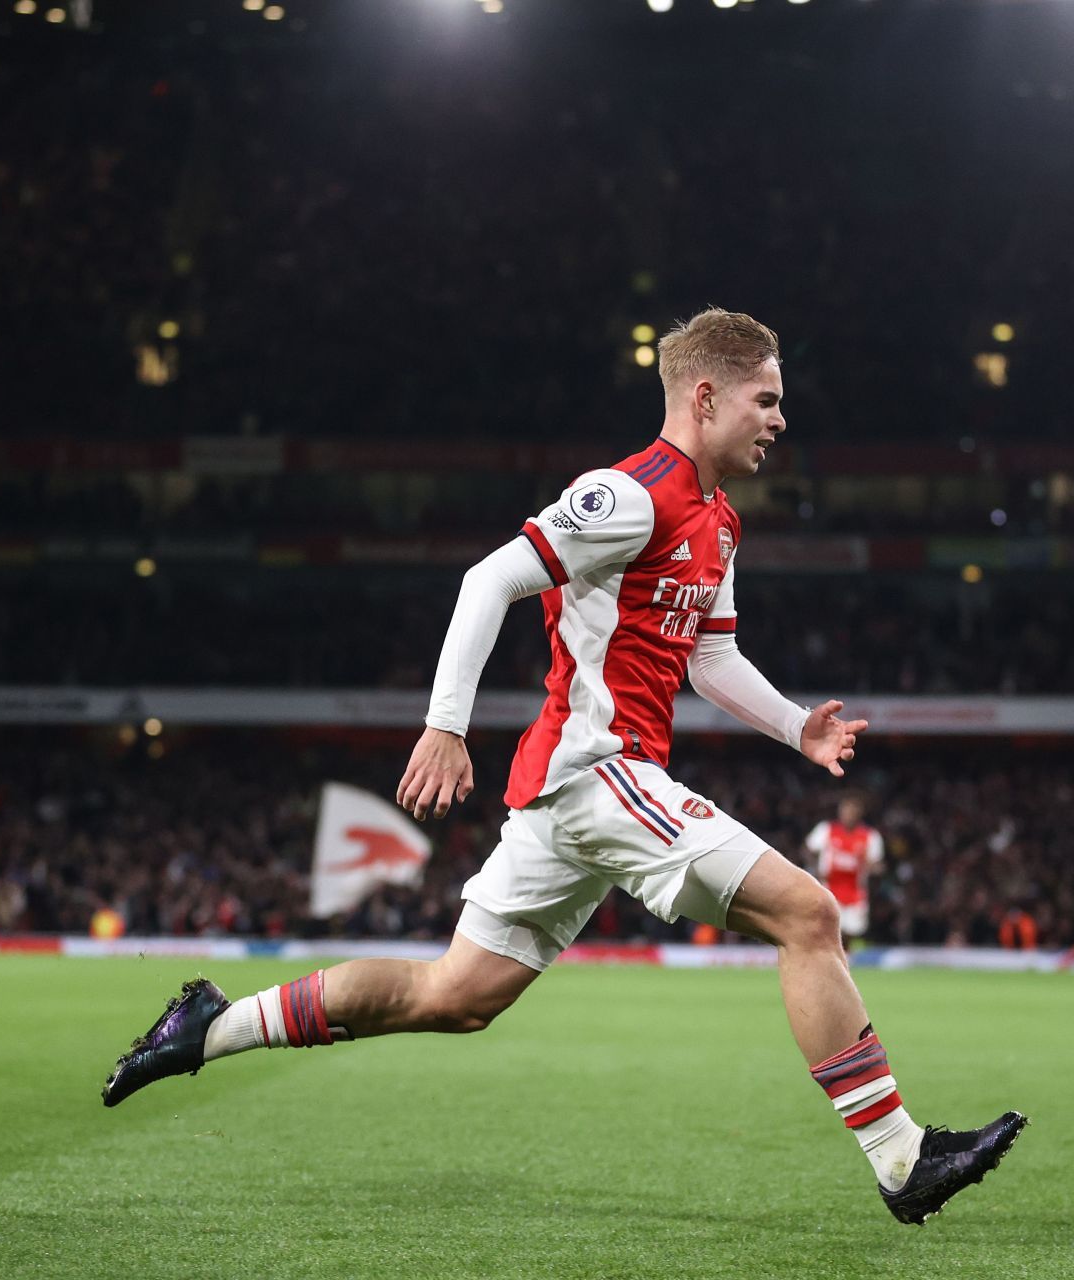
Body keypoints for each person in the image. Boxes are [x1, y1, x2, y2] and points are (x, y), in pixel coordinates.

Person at [100, 308, 1025, 1223]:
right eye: (767, 400)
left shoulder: (720, 522)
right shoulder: (627, 495)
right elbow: (489, 578)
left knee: (454, 996)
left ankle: (207, 1027)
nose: (781, 420)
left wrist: (797, 729)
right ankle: (902, 1159)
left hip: (574, 798)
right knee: (809, 912)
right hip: (599, 770)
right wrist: (445, 725)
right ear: (705, 397)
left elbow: (709, 657)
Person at [803, 795, 884, 943]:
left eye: (852, 812)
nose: (848, 815)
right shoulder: (827, 830)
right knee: (829, 926)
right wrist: (814, 869)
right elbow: (808, 849)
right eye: (845, 811)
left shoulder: (869, 836)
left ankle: (847, 955)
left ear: (859, 814)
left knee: (853, 930)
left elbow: (876, 862)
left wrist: (874, 868)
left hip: (855, 891)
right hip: (829, 887)